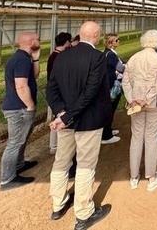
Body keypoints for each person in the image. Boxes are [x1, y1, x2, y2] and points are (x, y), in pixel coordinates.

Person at [46, 21, 112, 228]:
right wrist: (67, 116)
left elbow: (51, 89)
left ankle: (58, 204)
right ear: (96, 35)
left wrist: (61, 113)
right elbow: (90, 93)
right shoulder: (97, 57)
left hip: (66, 122)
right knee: (85, 165)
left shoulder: (62, 56)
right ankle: (84, 213)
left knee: (61, 161)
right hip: (88, 122)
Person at [122, 30, 157, 192]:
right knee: (151, 138)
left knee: (136, 137)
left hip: (136, 103)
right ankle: (151, 177)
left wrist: (132, 99)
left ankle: (134, 177)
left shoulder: (134, 58)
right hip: (154, 102)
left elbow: (125, 82)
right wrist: (147, 99)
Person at [0, 32, 40, 191]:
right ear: (31, 42)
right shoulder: (21, 60)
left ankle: (19, 164)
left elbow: (34, 75)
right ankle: (7, 179)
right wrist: (30, 106)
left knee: (21, 139)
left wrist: (35, 59)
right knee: (15, 142)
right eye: (37, 39)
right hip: (18, 108)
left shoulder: (23, 58)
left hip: (18, 107)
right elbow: (21, 86)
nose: (40, 41)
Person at [47, 32, 72, 155]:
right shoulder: (58, 57)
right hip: (58, 92)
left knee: (58, 117)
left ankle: (54, 145)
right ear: (66, 42)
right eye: (69, 42)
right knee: (58, 118)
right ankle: (54, 145)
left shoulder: (54, 55)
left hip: (55, 91)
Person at [101, 33, 125, 145]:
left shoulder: (109, 53)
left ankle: (108, 130)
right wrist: (127, 67)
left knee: (110, 108)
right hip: (111, 85)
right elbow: (120, 68)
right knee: (109, 109)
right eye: (116, 40)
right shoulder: (110, 54)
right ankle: (106, 135)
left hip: (110, 83)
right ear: (110, 43)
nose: (118, 41)